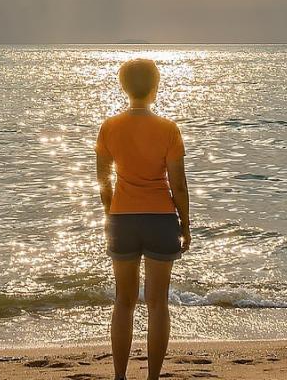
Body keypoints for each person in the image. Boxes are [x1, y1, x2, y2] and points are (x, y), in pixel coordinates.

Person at [94, 58, 190, 380]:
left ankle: (120, 376)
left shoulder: (109, 127)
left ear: (124, 87)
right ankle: (152, 378)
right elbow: (178, 185)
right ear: (155, 87)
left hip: (123, 219)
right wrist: (185, 224)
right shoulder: (168, 129)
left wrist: (111, 215)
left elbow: (103, 182)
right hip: (161, 219)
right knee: (157, 303)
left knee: (124, 301)